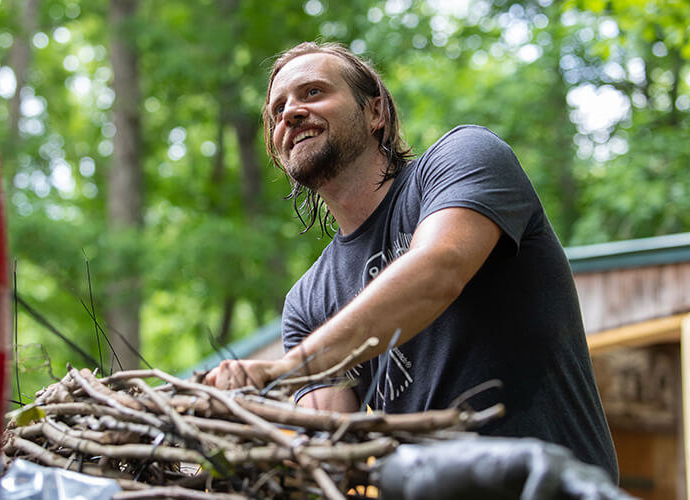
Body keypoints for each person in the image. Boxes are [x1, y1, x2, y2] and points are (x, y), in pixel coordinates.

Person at [203, 41, 618, 481]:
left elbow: (438, 268)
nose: (289, 113)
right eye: (278, 110)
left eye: (312, 93)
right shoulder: (308, 302)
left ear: (375, 112)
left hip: (552, 487)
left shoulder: (464, 158)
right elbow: (328, 448)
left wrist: (289, 369)